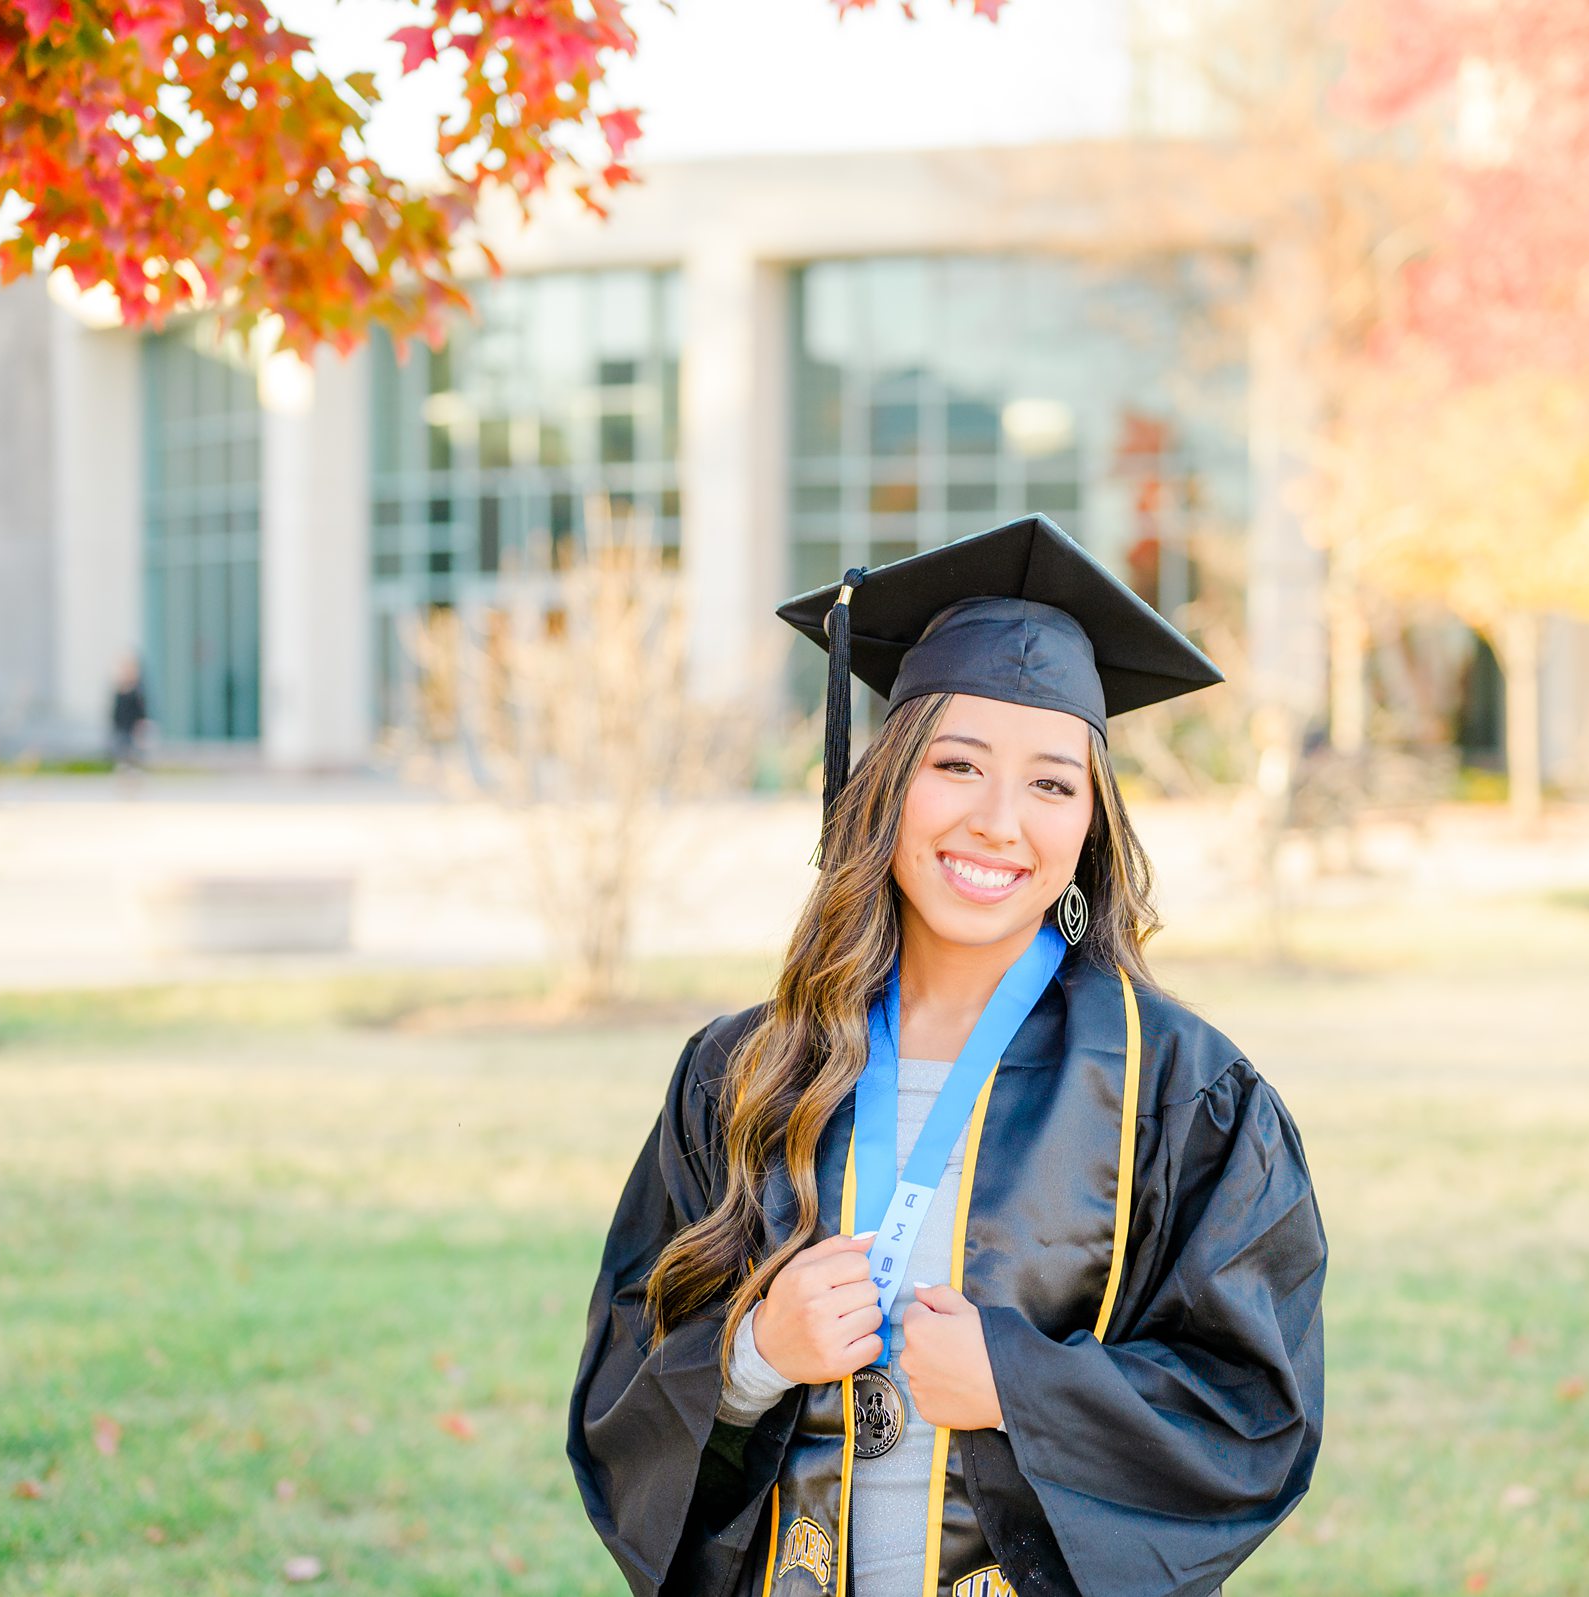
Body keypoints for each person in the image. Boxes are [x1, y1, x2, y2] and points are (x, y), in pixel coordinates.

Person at [569, 515, 1327, 1597]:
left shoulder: (1180, 1090)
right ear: (884, 786)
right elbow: (622, 1384)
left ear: (1092, 821)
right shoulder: (742, 1071)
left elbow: (1255, 1410)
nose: (998, 822)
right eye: (957, 764)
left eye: (1053, 783)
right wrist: (752, 1358)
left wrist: (1019, 1386)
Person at [109, 653, 151, 771]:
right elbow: (115, 711)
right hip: (121, 727)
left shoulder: (137, 690)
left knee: (134, 753)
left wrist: (142, 724)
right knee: (121, 752)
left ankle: (133, 774)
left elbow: (141, 709)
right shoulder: (119, 689)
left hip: (133, 727)